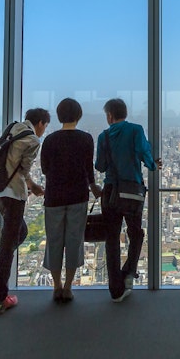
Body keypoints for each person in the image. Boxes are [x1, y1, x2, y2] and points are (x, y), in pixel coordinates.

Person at [0, 108, 50, 316]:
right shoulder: (33, 140)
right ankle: (0, 299)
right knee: (8, 245)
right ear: (41, 123)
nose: (44, 130)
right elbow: (23, 170)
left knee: (20, 233)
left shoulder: (13, 128)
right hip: (14, 194)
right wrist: (33, 186)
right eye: (45, 126)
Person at [95, 98, 162, 302]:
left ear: (109, 116)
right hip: (131, 192)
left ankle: (115, 290)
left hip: (110, 193)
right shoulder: (135, 130)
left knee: (112, 239)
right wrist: (153, 165)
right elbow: (145, 154)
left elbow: (100, 166)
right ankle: (129, 273)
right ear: (125, 113)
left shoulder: (103, 136)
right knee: (136, 234)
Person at [41, 98, 101, 303]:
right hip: (78, 196)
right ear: (79, 116)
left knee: (54, 241)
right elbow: (88, 169)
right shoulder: (86, 139)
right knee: (74, 241)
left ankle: (56, 286)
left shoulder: (50, 140)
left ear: (59, 116)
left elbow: (45, 169)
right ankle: (68, 287)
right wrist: (92, 187)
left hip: (54, 196)